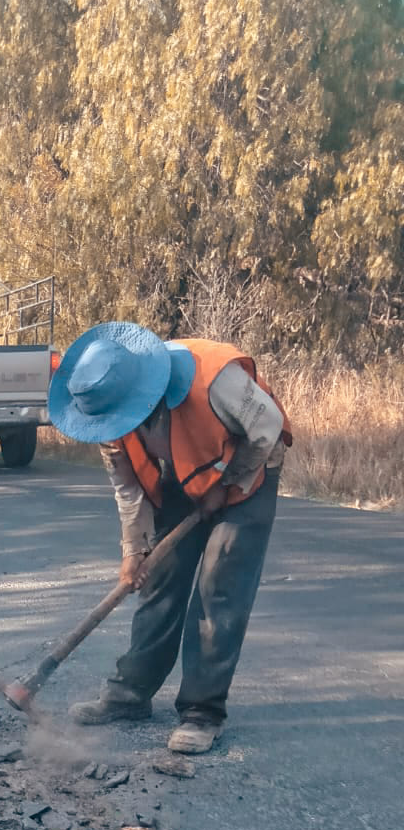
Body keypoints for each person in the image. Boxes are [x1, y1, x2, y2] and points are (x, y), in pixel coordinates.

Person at [48, 322, 291, 754]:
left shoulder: (213, 378)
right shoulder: (104, 412)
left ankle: (203, 712)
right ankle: (130, 694)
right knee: (159, 579)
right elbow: (128, 489)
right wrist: (133, 551)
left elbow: (267, 428)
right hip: (186, 475)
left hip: (250, 472)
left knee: (220, 588)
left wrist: (229, 482)